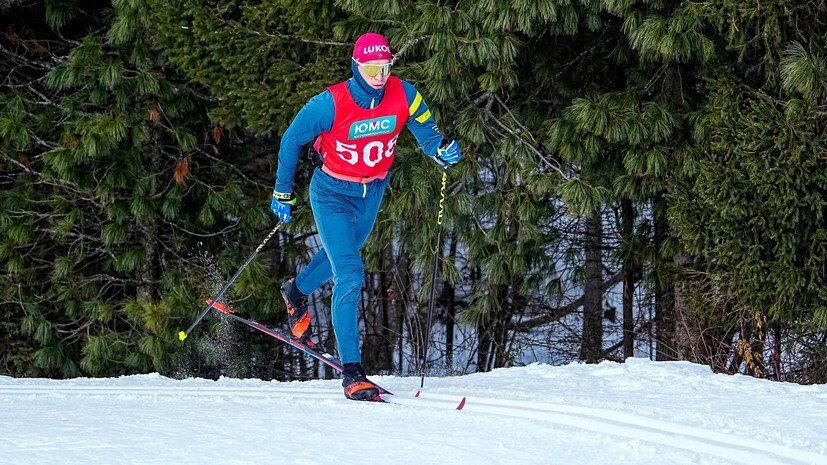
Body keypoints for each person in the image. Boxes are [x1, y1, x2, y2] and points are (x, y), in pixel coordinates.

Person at [270, 33, 461, 401]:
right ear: (356, 66)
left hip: (371, 192)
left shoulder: (405, 94)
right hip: (331, 194)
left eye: (385, 67)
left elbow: (427, 133)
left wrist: (441, 150)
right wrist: (282, 190)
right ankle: (353, 374)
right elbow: (292, 139)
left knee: (345, 253)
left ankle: (295, 291)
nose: (379, 75)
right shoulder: (329, 103)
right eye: (372, 68)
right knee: (351, 272)